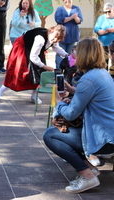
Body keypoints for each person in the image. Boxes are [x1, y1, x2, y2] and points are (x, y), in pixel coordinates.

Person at [43, 38, 114, 194]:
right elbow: (92, 94)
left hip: (106, 139)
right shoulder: (101, 73)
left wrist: (60, 102)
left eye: (76, 51)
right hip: (110, 133)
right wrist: (74, 90)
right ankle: (90, 169)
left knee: (50, 135)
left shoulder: (88, 79)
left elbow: (70, 114)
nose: (73, 54)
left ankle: (87, 175)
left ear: (83, 55)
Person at [0, 25, 68, 104]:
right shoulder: (40, 39)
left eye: (59, 38)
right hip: (23, 48)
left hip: (35, 51)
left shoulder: (53, 40)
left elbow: (56, 48)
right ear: (51, 31)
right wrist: (45, 66)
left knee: (39, 73)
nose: (56, 39)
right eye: (56, 36)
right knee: (17, 73)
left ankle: (34, 95)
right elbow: (33, 56)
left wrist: (67, 55)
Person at [54, 0, 83, 68]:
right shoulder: (59, 9)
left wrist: (76, 18)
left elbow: (79, 21)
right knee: (59, 56)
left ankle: (70, 73)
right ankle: (58, 72)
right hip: (61, 37)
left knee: (72, 56)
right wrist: (71, 17)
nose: (68, 1)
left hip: (73, 37)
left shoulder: (76, 9)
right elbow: (59, 20)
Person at [94, 3, 114, 70]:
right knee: (103, 62)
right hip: (103, 43)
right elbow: (96, 28)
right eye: (105, 12)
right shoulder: (101, 18)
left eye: (109, 11)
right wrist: (101, 31)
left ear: (113, 10)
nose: (107, 13)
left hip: (113, 44)